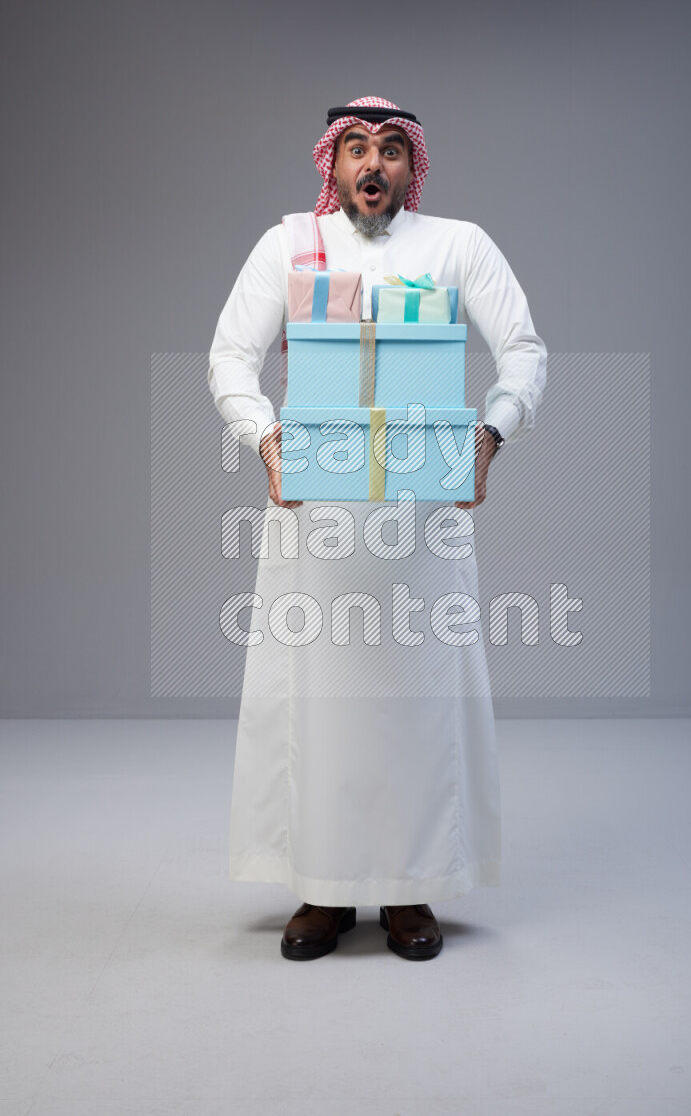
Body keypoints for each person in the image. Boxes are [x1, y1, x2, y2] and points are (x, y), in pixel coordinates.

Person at [208, 96, 547, 961]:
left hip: (422, 517)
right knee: (318, 701)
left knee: (415, 697)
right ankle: (323, 890)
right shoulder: (288, 243)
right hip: (316, 517)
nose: (373, 165)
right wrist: (267, 440)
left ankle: (409, 891)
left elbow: (524, 352)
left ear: (412, 166)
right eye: (356, 148)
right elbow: (230, 358)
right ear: (330, 162)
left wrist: (490, 435)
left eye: (391, 150)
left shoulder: (458, 246)